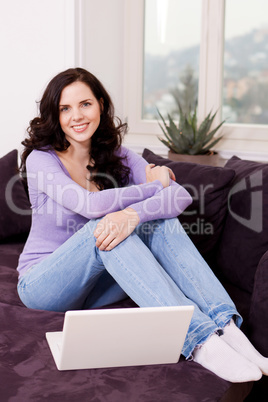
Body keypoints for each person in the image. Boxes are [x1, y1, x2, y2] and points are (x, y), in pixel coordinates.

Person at [17, 67, 267, 383]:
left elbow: (178, 197)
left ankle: (228, 329)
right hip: (44, 283)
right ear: (54, 114)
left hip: (97, 287)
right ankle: (200, 341)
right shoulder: (41, 159)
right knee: (105, 227)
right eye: (65, 108)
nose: (77, 116)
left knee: (153, 223)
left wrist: (133, 215)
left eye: (85, 104)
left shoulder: (116, 154)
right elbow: (89, 205)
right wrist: (153, 186)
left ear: (101, 105)